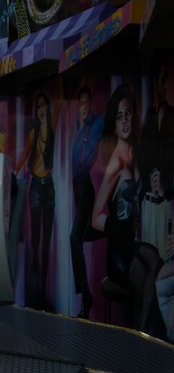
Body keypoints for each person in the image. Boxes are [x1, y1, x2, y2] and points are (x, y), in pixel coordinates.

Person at [91, 84, 162, 334]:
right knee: (144, 276)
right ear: (114, 123)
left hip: (131, 245)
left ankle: (150, 333)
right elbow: (95, 218)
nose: (125, 121)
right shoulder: (116, 163)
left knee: (155, 260)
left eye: (128, 114)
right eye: (119, 116)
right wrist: (118, 225)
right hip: (118, 256)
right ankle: (143, 337)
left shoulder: (134, 153)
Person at [15, 90, 61, 309]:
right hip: (35, 184)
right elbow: (26, 152)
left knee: (47, 236)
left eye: (44, 105)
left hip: (48, 186)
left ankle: (43, 282)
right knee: (35, 236)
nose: (41, 108)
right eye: (39, 106)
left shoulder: (51, 126)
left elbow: (60, 104)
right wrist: (14, 169)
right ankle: (34, 264)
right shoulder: (33, 131)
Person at [70, 85, 104, 318]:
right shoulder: (78, 128)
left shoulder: (96, 123)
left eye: (85, 103)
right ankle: (111, 228)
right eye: (80, 103)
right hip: (77, 187)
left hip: (85, 187)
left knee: (75, 239)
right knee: (84, 235)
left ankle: (86, 297)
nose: (83, 107)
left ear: (90, 104)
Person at [140, 51, 174, 260]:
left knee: (162, 262)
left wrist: (165, 185)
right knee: (148, 264)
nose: (166, 86)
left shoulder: (172, 117)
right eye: (162, 80)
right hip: (148, 206)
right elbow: (141, 164)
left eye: (166, 80)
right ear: (155, 82)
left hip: (165, 207)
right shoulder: (148, 120)